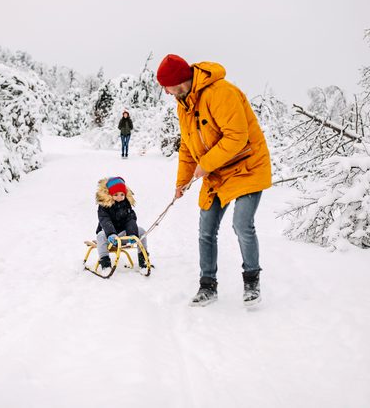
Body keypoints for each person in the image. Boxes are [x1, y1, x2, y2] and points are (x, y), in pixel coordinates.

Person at [156, 54, 272, 307]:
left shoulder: (221, 92)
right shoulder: (182, 103)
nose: (165, 92)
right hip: (217, 173)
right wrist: (182, 181)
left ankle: (252, 282)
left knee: (242, 224)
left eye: (166, 86)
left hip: (246, 166)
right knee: (206, 230)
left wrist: (205, 165)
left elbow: (237, 137)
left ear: (178, 81)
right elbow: (187, 146)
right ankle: (207, 286)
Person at [95, 176, 149, 271]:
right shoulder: (104, 207)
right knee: (100, 235)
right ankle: (105, 264)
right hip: (109, 237)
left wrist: (132, 234)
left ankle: (143, 260)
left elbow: (130, 220)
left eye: (122, 194)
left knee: (142, 231)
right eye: (116, 195)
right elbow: (105, 220)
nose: (119, 197)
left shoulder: (126, 205)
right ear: (109, 194)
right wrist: (111, 234)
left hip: (123, 236)